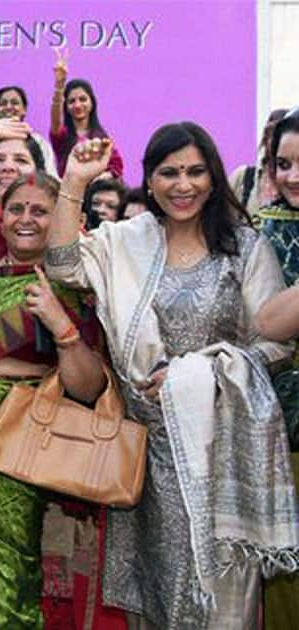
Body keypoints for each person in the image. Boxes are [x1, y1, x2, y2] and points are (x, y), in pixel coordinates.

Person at [46, 125, 299, 628]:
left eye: (195, 172)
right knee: (155, 596)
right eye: (169, 173)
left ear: (213, 176)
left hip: (220, 448)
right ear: (150, 179)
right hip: (147, 452)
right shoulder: (126, 242)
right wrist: (74, 181)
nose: (183, 185)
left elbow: (274, 341)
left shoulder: (244, 248)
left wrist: (200, 372)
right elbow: (60, 265)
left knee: (223, 595)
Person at [0, 171, 117, 629]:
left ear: (62, 219)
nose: (25, 219)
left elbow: (88, 388)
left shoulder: (74, 285)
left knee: (1, 572)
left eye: (39, 211)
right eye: (16, 209)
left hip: (21, 438)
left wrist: (59, 325)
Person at [249, 111, 299, 630]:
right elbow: (264, 322)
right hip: (279, 423)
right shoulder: (261, 233)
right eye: (283, 164)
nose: (294, 176)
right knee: (286, 559)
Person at [49, 48, 124, 178]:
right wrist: (59, 86)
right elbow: (55, 121)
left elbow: (116, 168)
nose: (77, 105)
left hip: (97, 194)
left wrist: (100, 179)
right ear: (65, 106)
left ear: (92, 103)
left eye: (83, 99)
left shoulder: (103, 137)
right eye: (72, 101)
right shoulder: (62, 136)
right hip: (69, 195)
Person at [230, 108, 288, 216]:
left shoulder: (293, 181)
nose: (277, 141)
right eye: (273, 134)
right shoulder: (242, 177)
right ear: (266, 138)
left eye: (282, 136)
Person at [0, 84, 58, 176]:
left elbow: (50, 175)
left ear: (24, 109)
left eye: (15, 103)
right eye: (3, 103)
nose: (8, 107)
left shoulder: (38, 142)